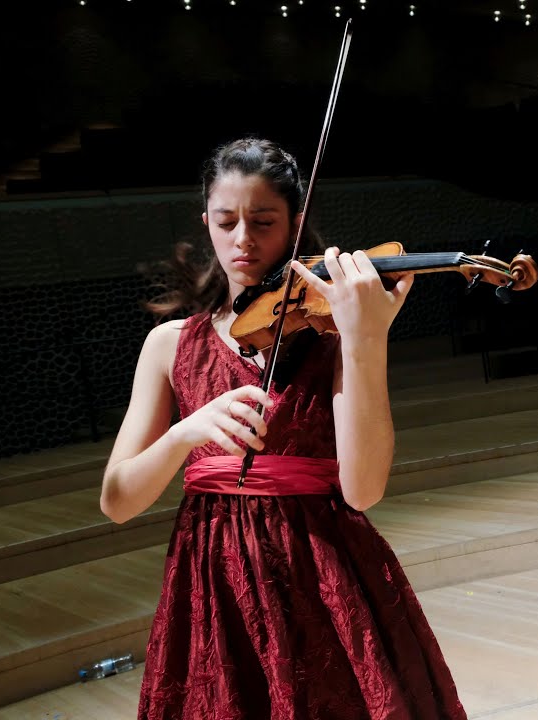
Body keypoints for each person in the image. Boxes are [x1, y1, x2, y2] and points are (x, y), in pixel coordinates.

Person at [101, 137, 468, 720]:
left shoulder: (334, 331)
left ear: (296, 224)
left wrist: (365, 339)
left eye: (264, 221)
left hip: (322, 569)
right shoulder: (169, 345)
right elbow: (117, 501)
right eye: (226, 222)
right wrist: (183, 434)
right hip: (212, 573)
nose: (242, 240)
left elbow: (364, 490)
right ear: (207, 223)